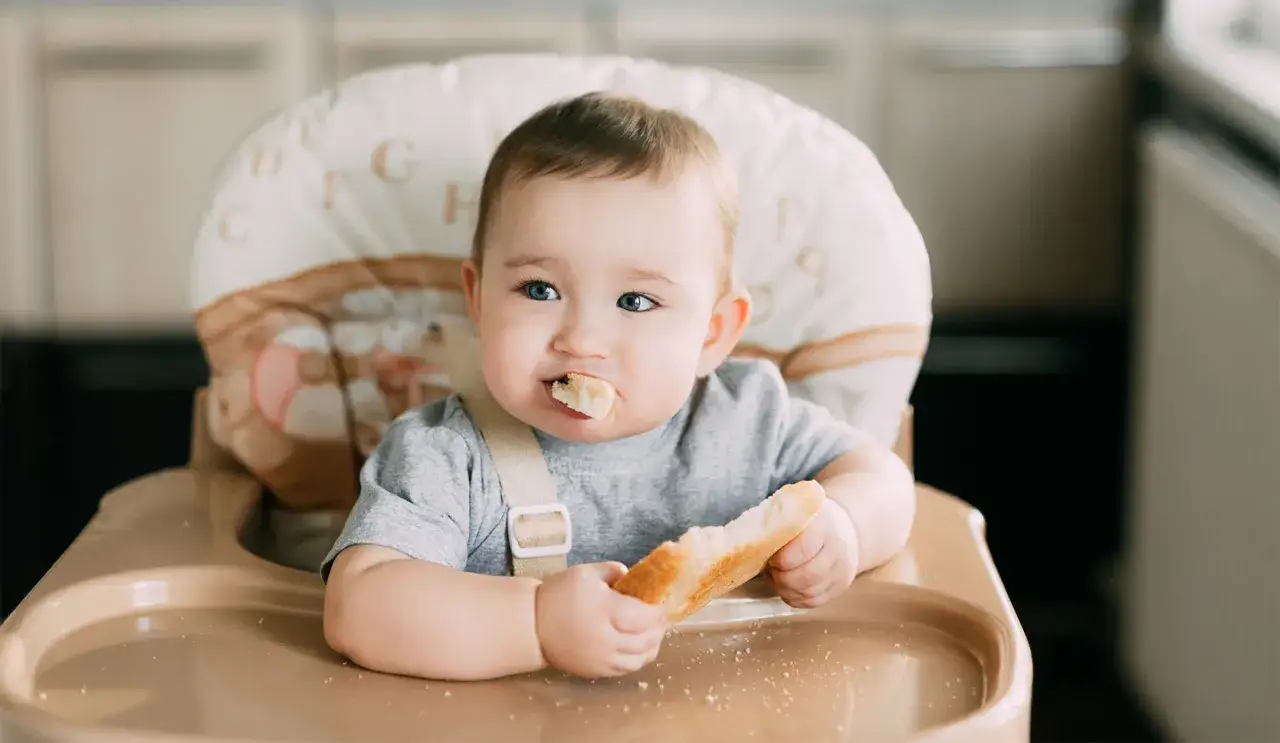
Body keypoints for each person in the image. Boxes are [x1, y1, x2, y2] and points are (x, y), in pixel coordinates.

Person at [320, 91, 917, 682]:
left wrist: (845, 528)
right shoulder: (447, 456)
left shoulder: (750, 418)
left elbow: (881, 475)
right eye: (539, 290)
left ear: (713, 333)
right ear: (476, 300)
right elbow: (359, 606)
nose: (582, 339)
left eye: (636, 301)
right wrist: (535, 624)